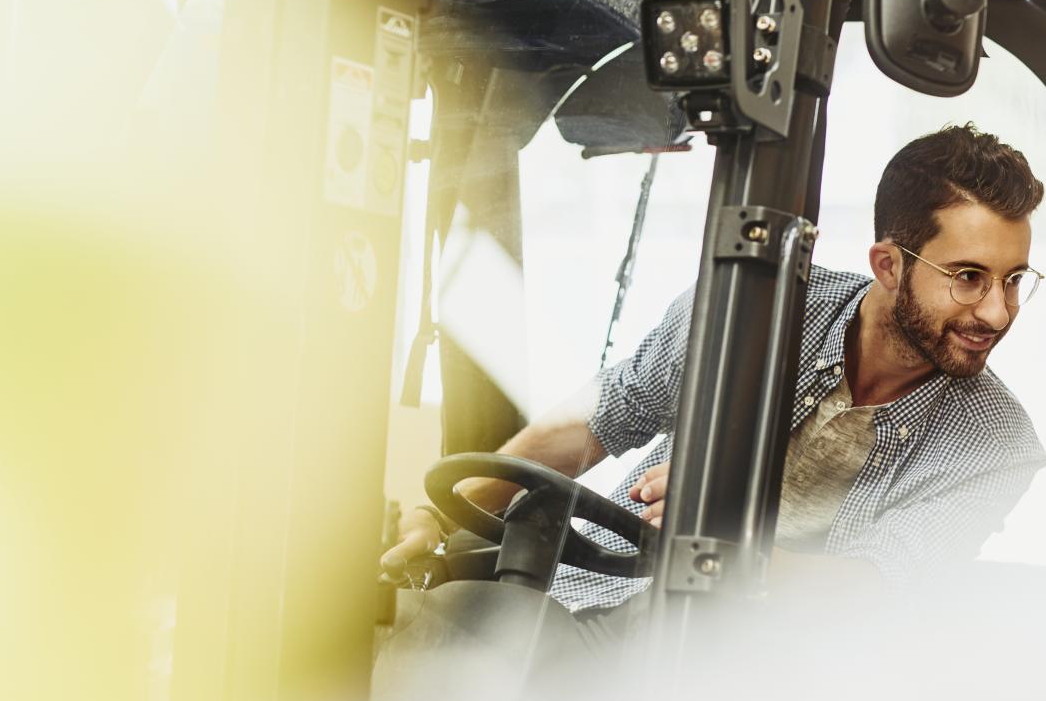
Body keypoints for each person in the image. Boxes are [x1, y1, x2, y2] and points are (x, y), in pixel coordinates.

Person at [381, 124, 1045, 614]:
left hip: (747, 688)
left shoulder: (997, 444)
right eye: (967, 277)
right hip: (589, 604)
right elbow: (595, 420)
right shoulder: (753, 309)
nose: (996, 311)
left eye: (1014, 279)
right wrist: (436, 521)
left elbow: (886, 588)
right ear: (887, 265)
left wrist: (732, 548)